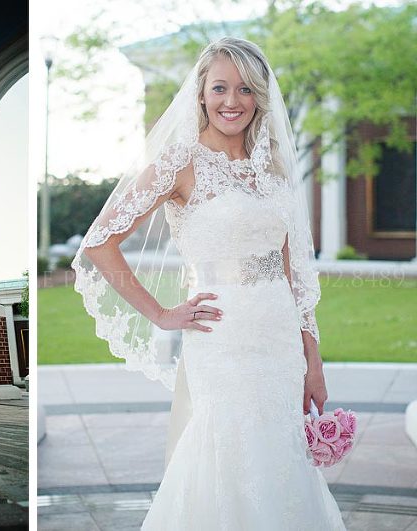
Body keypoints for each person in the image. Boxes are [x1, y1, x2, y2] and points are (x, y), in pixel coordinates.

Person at [72, 38, 346, 530]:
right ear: (200, 93)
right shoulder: (180, 162)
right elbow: (100, 242)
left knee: (280, 454)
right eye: (219, 87)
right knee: (226, 452)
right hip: (222, 339)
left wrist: (313, 360)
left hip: (279, 342)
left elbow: (294, 275)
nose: (232, 100)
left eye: (245, 89)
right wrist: (160, 314)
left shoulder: (275, 168)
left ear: (260, 96)